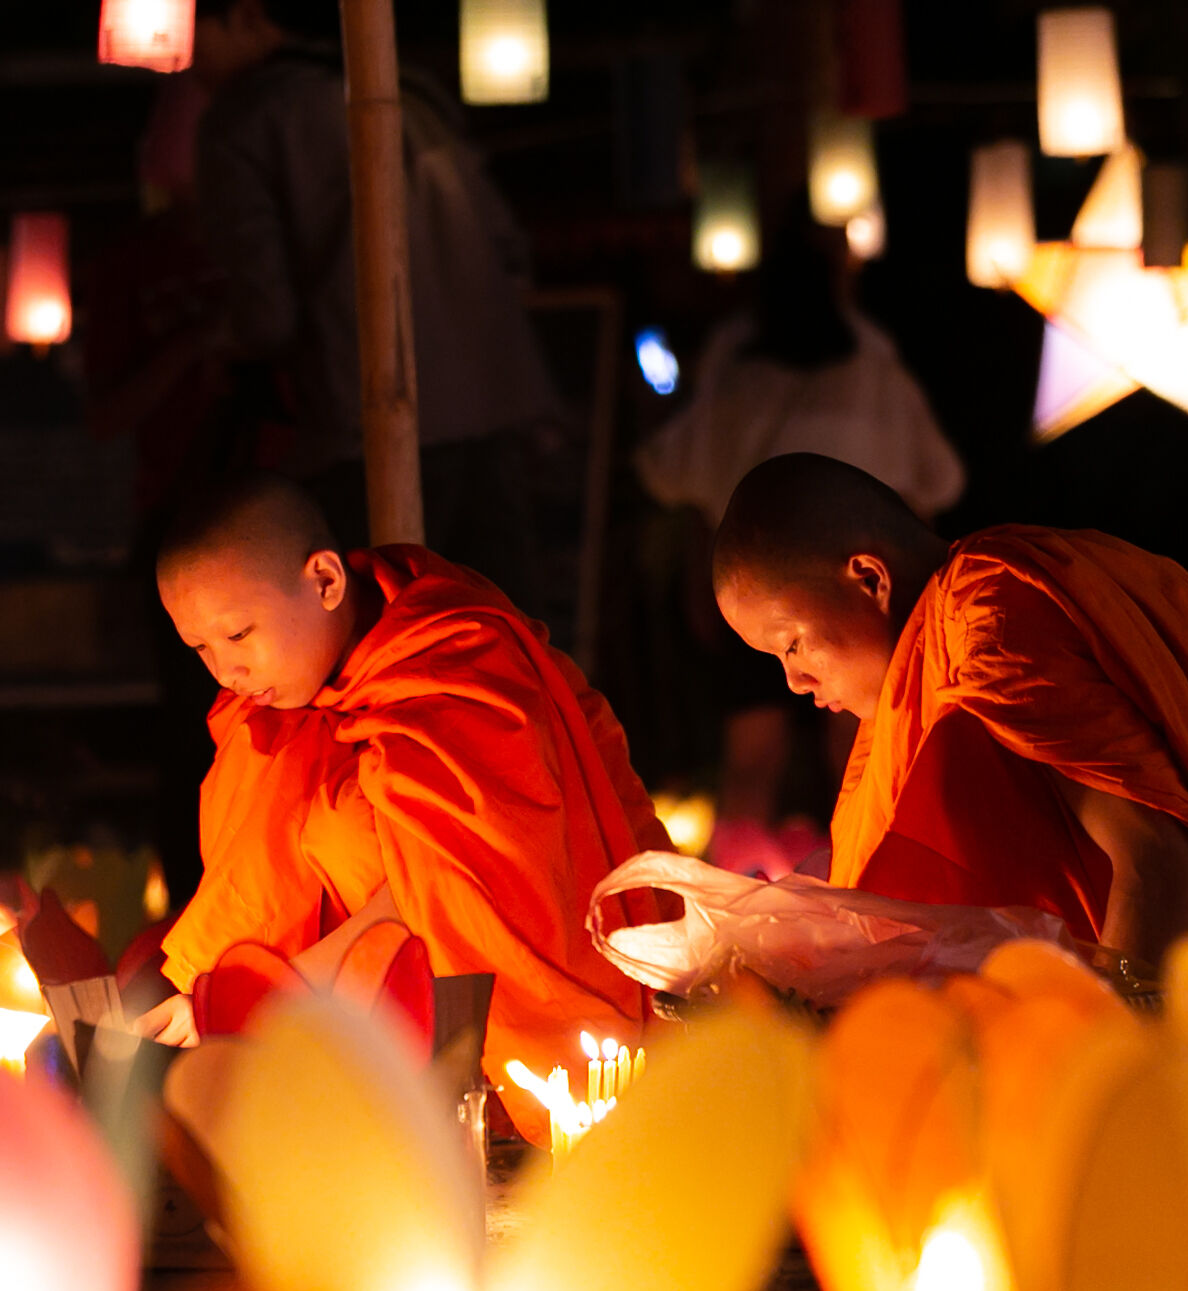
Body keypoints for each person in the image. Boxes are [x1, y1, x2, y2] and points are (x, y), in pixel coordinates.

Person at [712, 452, 1188, 1038]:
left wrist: (1093, 1079)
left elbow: (1165, 864)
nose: (795, 681)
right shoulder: (923, 680)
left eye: (792, 643)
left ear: (868, 578)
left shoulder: (989, 616)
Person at [136, 474, 669, 1141]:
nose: (225, 673)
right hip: (356, 1038)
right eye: (200, 649)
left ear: (325, 580)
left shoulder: (455, 667)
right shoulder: (281, 706)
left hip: (501, 1056)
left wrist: (262, 994)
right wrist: (222, 1000)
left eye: (238, 634)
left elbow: (445, 894)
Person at [188, 0, 560, 593]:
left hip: (366, 423)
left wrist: (212, 343)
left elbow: (267, 316)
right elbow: (508, 247)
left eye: (186, 35)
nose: (176, 62)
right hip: (490, 410)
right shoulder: (412, 92)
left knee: (381, 636)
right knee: (503, 633)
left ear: (247, 16)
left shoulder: (244, 119)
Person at [632, 225, 965, 878]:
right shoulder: (867, 362)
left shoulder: (741, 367)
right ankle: (788, 894)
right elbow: (921, 492)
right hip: (778, 594)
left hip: (774, 594)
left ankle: (861, 878)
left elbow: (693, 489)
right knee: (854, 744)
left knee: (774, 753)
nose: (797, 676)